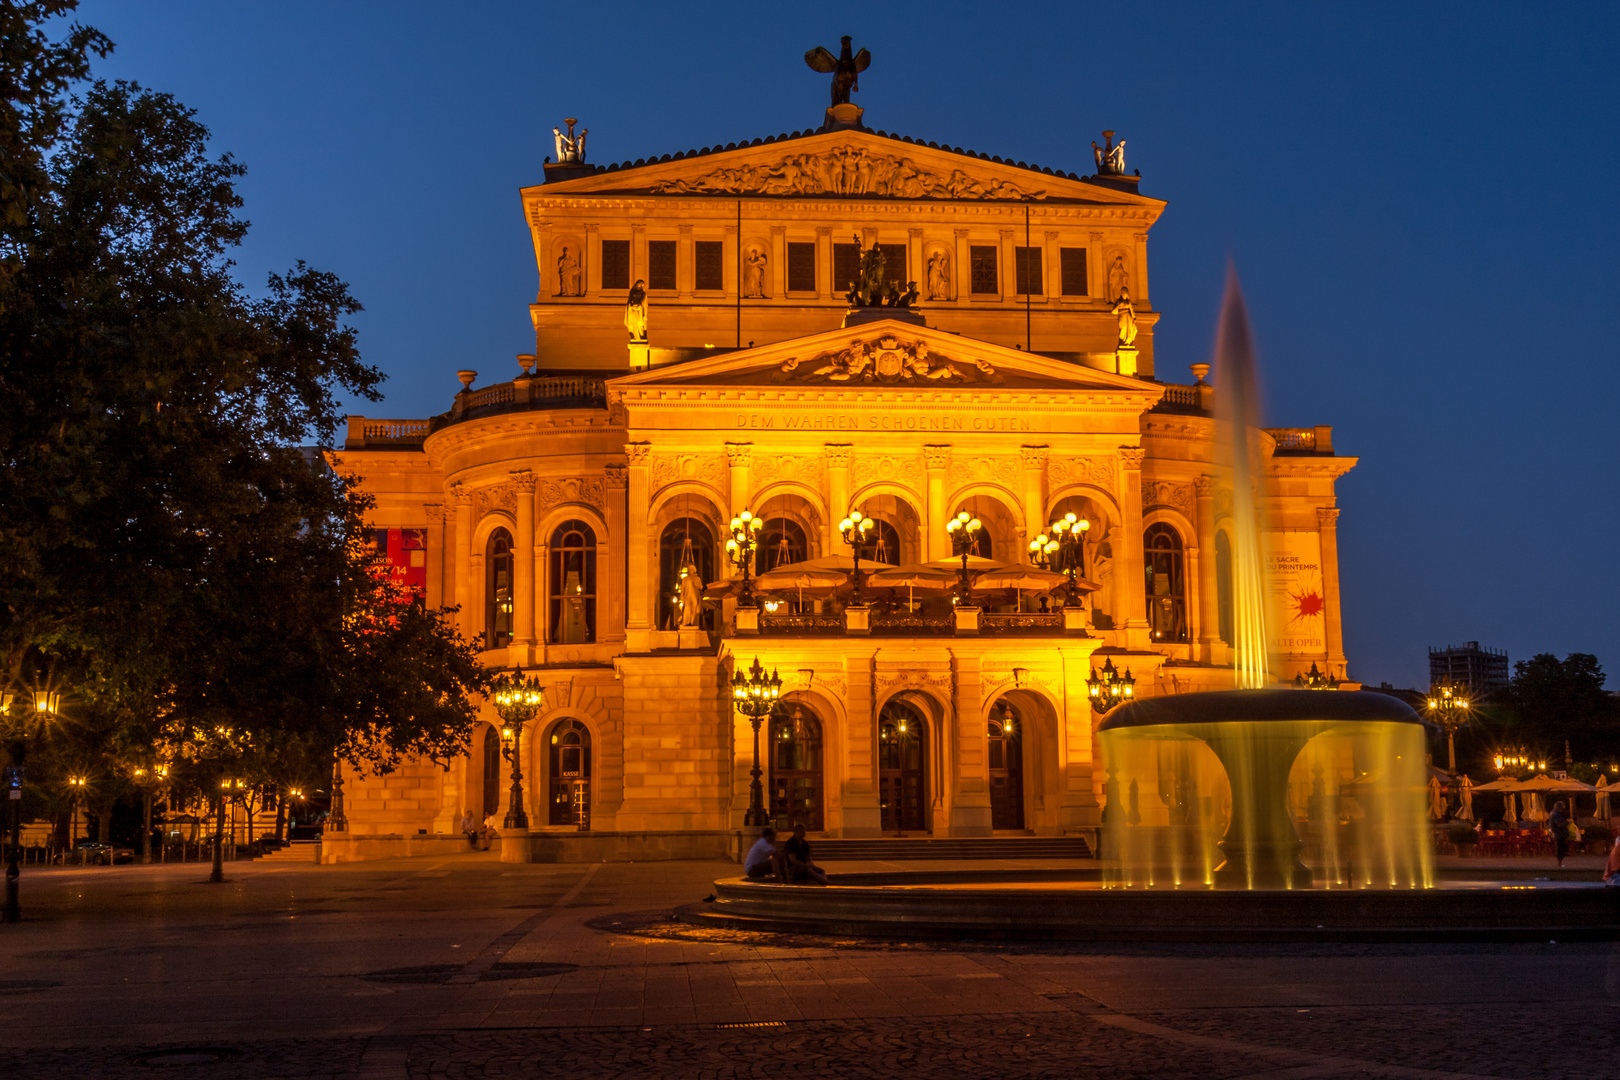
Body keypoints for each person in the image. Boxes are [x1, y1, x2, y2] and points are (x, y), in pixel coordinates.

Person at [1547, 800, 1571, 868]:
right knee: (1560, 849)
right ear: (1558, 807)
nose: (1562, 810)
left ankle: (1559, 864)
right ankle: (1559, 865)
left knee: (1560, 849)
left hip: (1558, 834)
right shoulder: (1555, 814)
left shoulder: (1553, 813)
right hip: (1559, 834)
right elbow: (1560, 824)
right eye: (1561, 808)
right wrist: (1567, 822)